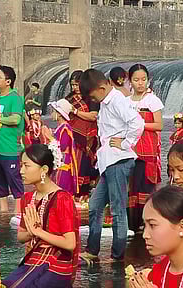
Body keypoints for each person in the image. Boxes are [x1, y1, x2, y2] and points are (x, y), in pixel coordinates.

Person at [80, 68, 142, 265]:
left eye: (92, 96)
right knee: (95, 205)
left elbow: (137, 123)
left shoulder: (116, 101)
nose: (93, 100)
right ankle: (92, 250)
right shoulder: (107, 102)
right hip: (109, 162)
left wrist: (124, 143)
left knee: (117, 210)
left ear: (102, 87)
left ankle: (117, 256)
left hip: (119, 161)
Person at [4, 143, 79, 288]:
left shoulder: (62, 198)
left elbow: (70, 243)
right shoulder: (27, 198)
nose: (21, 171)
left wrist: (38, 232)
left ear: (44, 169)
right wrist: (31, 232)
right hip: (34, 260)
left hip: (57, 265)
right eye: (21, 165)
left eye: (27, 166)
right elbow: (21, 237)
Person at [127, 64, 163, 233]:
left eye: (143, 79)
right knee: (132, 186)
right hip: (130, 150)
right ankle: (132, 222)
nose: (140, 83)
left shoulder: (152, 100)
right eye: (136, 80)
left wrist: (140, 125)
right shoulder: (126, 102)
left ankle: (146, 222)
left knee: (145, 186)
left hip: (147, 151)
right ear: (130, 81)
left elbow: (159, 125)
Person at [0, 65, 26, 215]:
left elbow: (15, 119)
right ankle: (3, 210)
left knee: (13, 177)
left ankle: (18, 211)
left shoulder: (15, 98)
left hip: (9, 148)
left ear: (8, 81)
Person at [67, 70, 100, 195]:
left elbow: (93, 116)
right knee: (72, 165)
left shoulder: (91, 97)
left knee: (85, 165)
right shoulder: (70, 99)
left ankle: (84, 193)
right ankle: (73, 192)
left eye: (77, 84)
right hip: (72, 137)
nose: (75, 88)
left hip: (87, 139)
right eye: (73, 85)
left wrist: (75, 112)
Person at [46, 99, 78, 196]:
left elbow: (62, 147)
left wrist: (50, 138)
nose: (51, 113)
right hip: (59, 161)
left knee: (61, 190)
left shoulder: (65, 128)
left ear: (59, 114)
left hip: (64, 162)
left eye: (54, 111)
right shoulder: (60, 127)